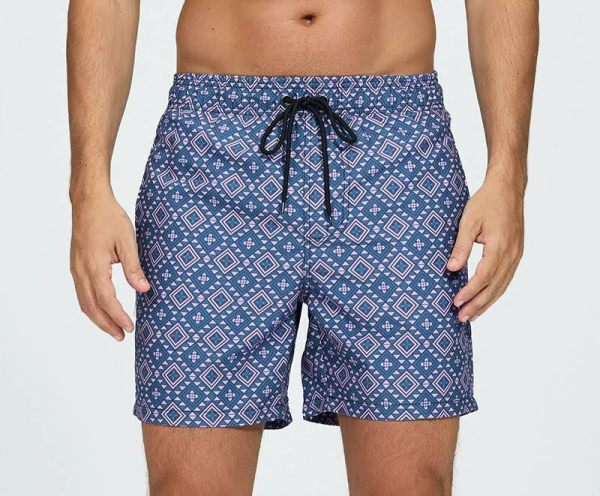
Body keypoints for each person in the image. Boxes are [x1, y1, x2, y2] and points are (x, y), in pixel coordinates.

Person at [67, 1, 538, 494]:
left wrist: (508, 177)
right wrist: (88, 189)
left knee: (411, 485)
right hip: (214, 152)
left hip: (394, 153)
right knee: (187, 486)